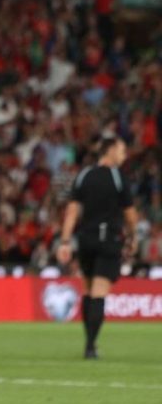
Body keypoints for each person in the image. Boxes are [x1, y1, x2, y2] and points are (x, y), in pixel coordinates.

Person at [56, 134, 138, 359]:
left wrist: (65, 241)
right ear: (109, 150)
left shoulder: (84, 175)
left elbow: (72, 211)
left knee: (88, 291)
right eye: (121, 150)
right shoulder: (118, 178)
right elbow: (130, 215)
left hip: (85, 240)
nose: (124, 155)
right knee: (99, 293)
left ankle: (88, 342)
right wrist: (132, 238)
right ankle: (91, 346)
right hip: (108, 241)